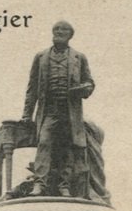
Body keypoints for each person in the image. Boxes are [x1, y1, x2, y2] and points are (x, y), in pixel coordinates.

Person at [21, 20, 95, 198]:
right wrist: (26, 114)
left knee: (66, 148)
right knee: (44, 144)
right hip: (49, 110)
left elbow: (90, 83)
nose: (59, 32)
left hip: (69, 112)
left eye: (64, 30)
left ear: (70, 35)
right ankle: (39, 184)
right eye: (56, 29)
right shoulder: (41, 57)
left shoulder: (79, 57)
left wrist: (83, 89)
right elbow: (32, 88)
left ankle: (64, 185)